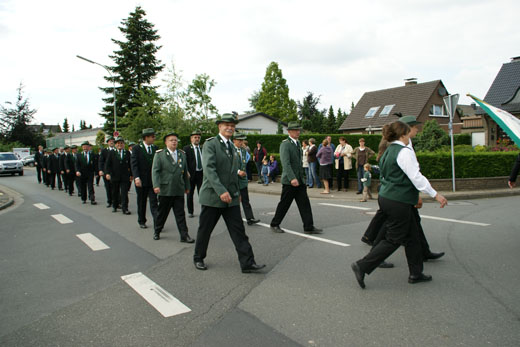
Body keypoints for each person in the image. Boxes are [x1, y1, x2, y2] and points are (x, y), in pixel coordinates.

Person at [351, 121, 448, 289]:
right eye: (409, 131)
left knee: (412, 237)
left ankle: (416, 273)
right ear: (403, 134)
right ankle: (363, 265)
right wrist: (436, 195)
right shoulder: (404, 153)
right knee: (394, 239)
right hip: (399, 200)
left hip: (387, 197)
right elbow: (416, 177)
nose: (411, 133)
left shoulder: (389, 151)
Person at [193, 113, 265, 273]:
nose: (230, 128)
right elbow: (209, 170)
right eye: (226, 125)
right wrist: (221, 191)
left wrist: (236, 192)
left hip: (230, 197)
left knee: (239, 230)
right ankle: (198, 257)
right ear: (219, 126)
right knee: (205, 230)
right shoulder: (210, 144)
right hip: (213, 196)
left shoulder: (233, 147)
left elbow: (233, 173)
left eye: (232, 126)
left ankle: (247, 263)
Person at [270, 122, 323, 234]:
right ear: (289, 131)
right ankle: (275, 224)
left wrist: (300, 178)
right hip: (290, 181)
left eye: (298, 130)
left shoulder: (297, 143)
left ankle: (308, 226)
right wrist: (292, 178)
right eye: (295, 130)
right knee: (284, 204)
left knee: (305, 204)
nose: (298, 132)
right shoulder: (285, 144)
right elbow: (286, 163)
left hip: (299, 180)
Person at [152, 132, 193, 242]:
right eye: (171, 140)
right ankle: (157, 231)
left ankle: (184, 235)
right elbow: (155, 171)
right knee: (162, 213)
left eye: (175, 140)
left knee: (180, 214)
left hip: (178, 188)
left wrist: (187, 186)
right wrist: (156, 185)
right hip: (165, 189)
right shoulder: (160, 155)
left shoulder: (182, 154)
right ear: (166, 142)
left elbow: (185, 172)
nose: (174, 142)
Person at [131, 129, 159, 229]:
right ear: (146, 137)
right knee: (142, 201)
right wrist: (136, 177)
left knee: (154, 202)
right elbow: (134, 164)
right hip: (141, 180)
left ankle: (157, 223)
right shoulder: (136, 148)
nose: (154, 138)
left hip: (153, 180)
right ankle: (142, 220)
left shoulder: (155, 148)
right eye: (152, 136)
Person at [233, 132, 260, 226]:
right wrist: (237, 171)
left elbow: (245, 163)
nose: (241, 142)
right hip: (233, 180)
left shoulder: (244, 151)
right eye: (239, 140)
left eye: (242, 140)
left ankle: (250, 218)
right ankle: (235, 220)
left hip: (243, 180)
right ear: (234, 141)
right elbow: (227, 166)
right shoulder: (230, 150)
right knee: (234, 201)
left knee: (245, 200)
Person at [105, 137, 132, 215]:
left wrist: (131, 175)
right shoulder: (111, 153)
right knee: (115, 192)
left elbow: (130, 164)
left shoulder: (127, 153)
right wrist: (107, 173)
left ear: (124, 144)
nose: (120, 145)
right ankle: (115, 205)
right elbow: (108, 164)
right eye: (118, 143)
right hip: (114, 175)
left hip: (124, 176)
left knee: (124, 193)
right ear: (115, 145)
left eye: (121, 143)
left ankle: (125, 208)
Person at [183, 130, 204, 218]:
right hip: (191, 174)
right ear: (191, 139)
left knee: (202, 193)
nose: (197, 139)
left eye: (198, 137)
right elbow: (184, 161)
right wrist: (186, 171)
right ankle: (190, 211)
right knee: (190, 193)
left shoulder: (202, 148)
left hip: (201, 174)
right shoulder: (187, 148)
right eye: (195, 137)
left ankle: (204, 210)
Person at [99, 137, 116, 208]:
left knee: (115, 187)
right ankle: (110, 201)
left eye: (113, 141)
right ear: (108, 143)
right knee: (108, 187)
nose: (111, 142)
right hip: (106, 172)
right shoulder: (104, 151)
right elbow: (101, 161)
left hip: (115, 172)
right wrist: (101, 170)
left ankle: (117, 201)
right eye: (110, 141)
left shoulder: (116, 150)